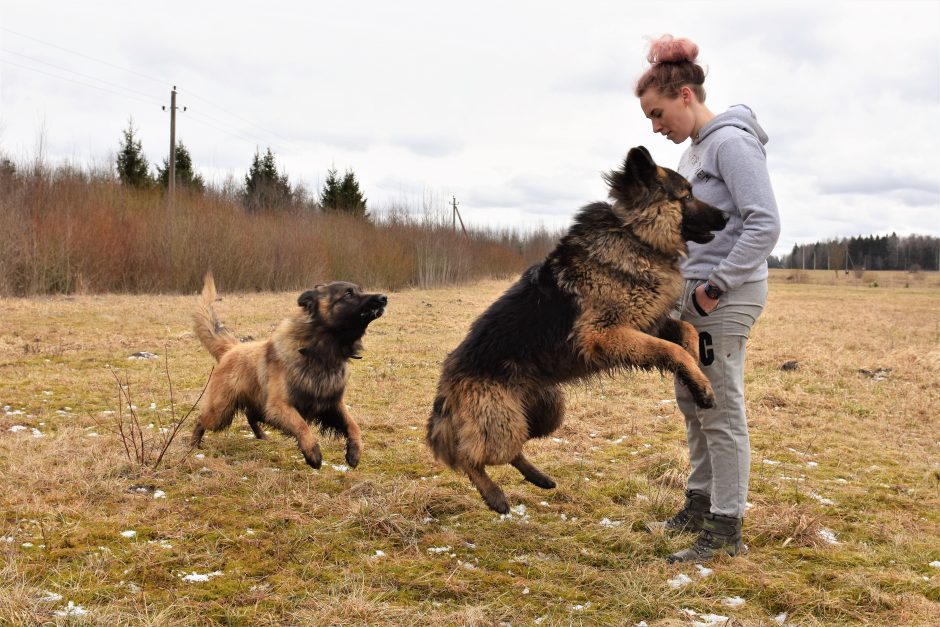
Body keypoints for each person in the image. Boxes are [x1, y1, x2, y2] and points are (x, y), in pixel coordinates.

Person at [634, 35, 781, 562]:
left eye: (657, 113)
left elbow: (764, 223)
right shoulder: (695, 151)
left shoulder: (731, 143)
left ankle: (725, 526)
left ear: (685, 97)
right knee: (692, 399)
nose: (655, 126)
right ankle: (699, 501)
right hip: (693, 298)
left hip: (726, 295)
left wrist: (715, 286)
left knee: (719, 404)